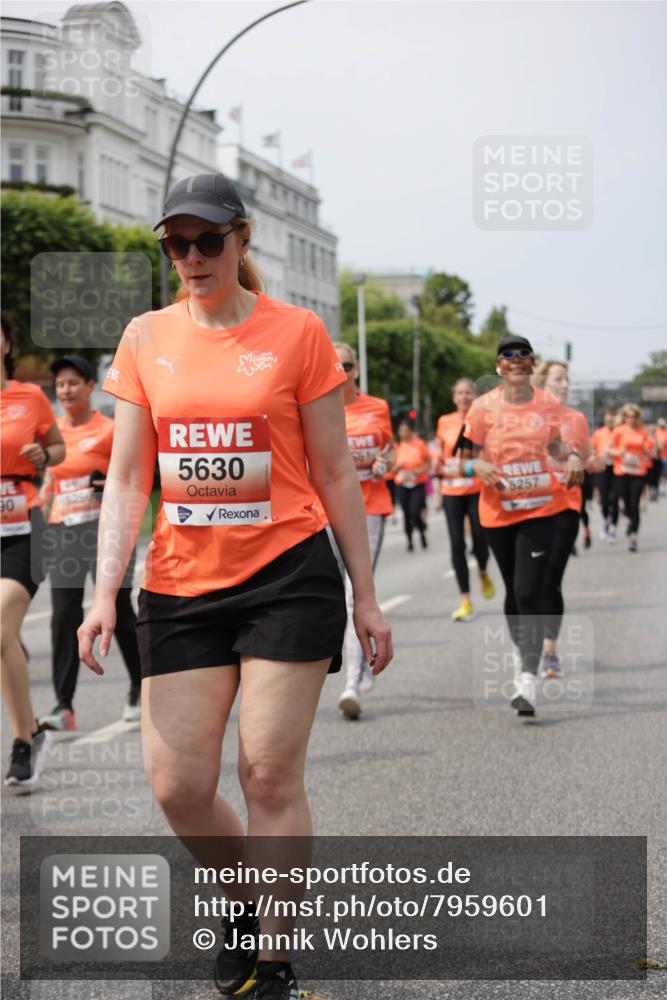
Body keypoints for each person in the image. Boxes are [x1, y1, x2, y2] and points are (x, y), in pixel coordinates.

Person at [77, 173, 393, 1000]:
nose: (191, 257)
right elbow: (125, 479)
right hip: (181, 582)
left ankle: (278, 965)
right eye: (175, 243)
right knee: (179, 785)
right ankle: (242, 899)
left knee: (265, 774)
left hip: (289, 574)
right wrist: (102, 589)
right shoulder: (145, 336)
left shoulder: (298, 333)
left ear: (242, 241)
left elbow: (331, 469)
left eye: (207, 240)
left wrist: (365, 593)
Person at [459, 336, 583, 716]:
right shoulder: (482, 408)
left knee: (530, 589)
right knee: (513, 589)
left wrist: (574, 457)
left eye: (523, 355)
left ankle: (528, 677)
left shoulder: (548, 405)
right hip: (497, 512)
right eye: (508, 356)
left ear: (531, 366)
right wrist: (476, 466)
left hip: (540, 510)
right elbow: (463, 458)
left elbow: (557, 447)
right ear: (499, 367)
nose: (516, 361)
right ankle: (521, 653)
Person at [38, 355, 142, 731]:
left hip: (105, 529)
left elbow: (131, 474)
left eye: (73, 383)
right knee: (64, 616)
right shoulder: (52, 433)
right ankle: (64, 706)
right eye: (60, 384)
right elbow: (49, 482)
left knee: (118, 607)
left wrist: (103, 486)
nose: (65, 390)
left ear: (90, 387)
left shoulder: (110, 429)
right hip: (62, 530)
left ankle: (137, 688)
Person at [1, 310, 65, 786]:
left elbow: (58, 448)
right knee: (3, 640)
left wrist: (45, 456)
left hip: (27, 525)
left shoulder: (29, 397)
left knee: (0, 627)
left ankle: (24, 740)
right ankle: (29, 735)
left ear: (5, 344)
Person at [329, 342, 395, 720]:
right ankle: (357, 663)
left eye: (347, 366)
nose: (341, 373)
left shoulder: (377, 408)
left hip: (368, 508)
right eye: (334, 367)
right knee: (332, 595)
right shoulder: (317, 405)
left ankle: (351, 681)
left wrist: (385, 461)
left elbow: (389, 449)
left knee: (357, 595)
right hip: (323, 512)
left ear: (356, 370)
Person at [531, 360, 596, 678]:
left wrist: (591, 463)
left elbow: (586, 457)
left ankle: (550, 651)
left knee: (551, 579)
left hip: (566, 506)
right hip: (531, 508)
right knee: (528, 583)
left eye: (567, 379)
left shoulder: (577, 419)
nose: (565, 384)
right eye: (559, 379)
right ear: (543, 382)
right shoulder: (530, 417)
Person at [435, 378, 494, 622]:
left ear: (475, 396)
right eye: (460, 393)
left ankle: (482, 569)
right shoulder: (444, 421)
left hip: (476, 489)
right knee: (456, 544)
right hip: (452, 491)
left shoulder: (482, 420)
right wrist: (437, 465)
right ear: (453, 397)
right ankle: (465, 600)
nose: (464, 397)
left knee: (481, 542)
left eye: (468, 393)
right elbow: (441, 453)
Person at [608, 403, 655, 551]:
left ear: (638, 417)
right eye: (627, 416)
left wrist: (648, 449)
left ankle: (634, 538)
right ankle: (628, 519)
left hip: (638, 472)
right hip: (622, 472)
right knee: (626, 502)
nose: (631, 419)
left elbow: (653, 452)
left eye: (634, 416)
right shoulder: (618, 431)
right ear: (623, 417)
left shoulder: (643, 431)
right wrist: (618, 452)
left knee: (635, 505)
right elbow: (608, 449)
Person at [393, 418, 430, 551]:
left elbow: (428, 463)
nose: (403, 433)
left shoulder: (419, 444)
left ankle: (421, 532)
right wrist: (398, 466)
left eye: (405, 430)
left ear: (410, 431)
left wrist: (418, 471)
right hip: (402, 485)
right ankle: (409, 541)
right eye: (401, 431)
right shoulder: (396, 446)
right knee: (406, 514)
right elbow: (391, 469)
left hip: (417, 484)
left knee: (415, 512)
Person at [591, 407, 618, 540]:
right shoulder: (599, 433)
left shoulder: (619, 432)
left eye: (612, 418)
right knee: (605, 499)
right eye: (607, 418)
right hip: (602, 469)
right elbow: (592, 449)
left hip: (616, 468)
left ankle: (613, 526)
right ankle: (605, 521)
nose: (609, 420)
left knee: (614, 499)